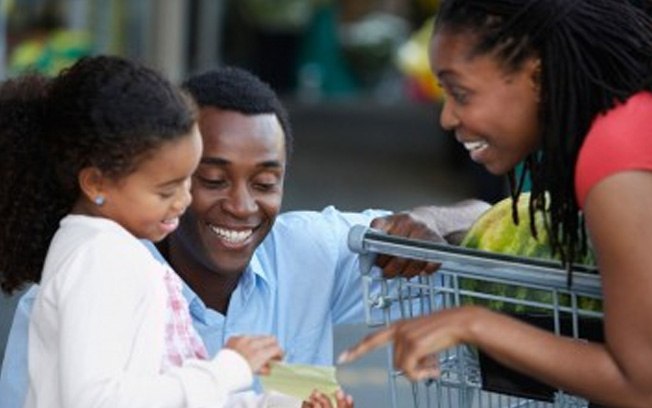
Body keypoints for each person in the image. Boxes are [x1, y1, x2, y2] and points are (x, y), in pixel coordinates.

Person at [0, 65, 489, 408]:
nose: (241, 205)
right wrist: (231, 369)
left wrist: (431, 220)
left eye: (264, 183)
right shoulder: (102, 272)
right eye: (210, 180)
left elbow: (487, 214)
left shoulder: (315, 248)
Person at [339, 0, 652, 406]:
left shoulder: (614, 154)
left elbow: (640, 384)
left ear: (538, 76)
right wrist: (436, 217)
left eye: (461, 93)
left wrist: (473, 324)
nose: (447, 118)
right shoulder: (625, 126)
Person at [0, 55, 327, 408]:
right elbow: (96, 400)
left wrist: (275, 403)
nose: (183, 201)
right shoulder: (104, 260)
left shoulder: (100, 250)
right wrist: (228, 370)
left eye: (189, 181)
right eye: (166, 189)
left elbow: (151, 390)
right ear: (96, 182)